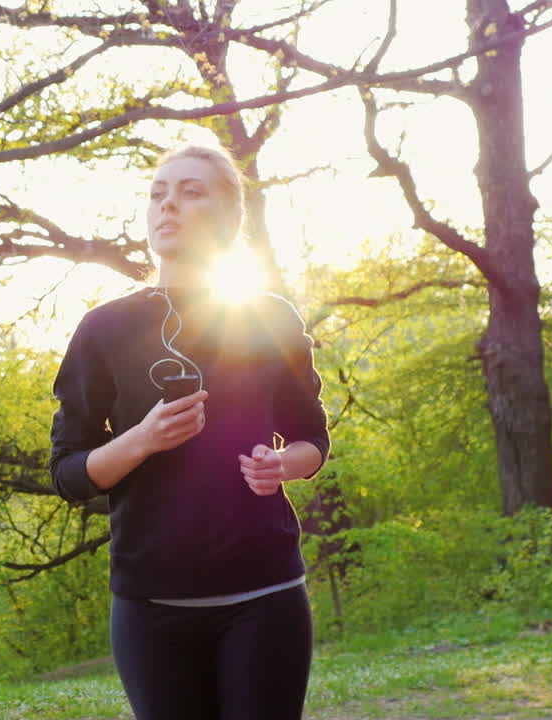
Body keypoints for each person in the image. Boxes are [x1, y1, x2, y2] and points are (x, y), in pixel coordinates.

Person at [49, 144, 331, 720]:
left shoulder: (270, 318)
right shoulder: (104, 328)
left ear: (229, 216)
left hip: (266, 595)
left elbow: (312, 440)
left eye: (190, 191)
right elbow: (68, 473)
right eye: (158, 193)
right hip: (151, 606)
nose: (167, 205)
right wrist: (142, 440)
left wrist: (285, 464)